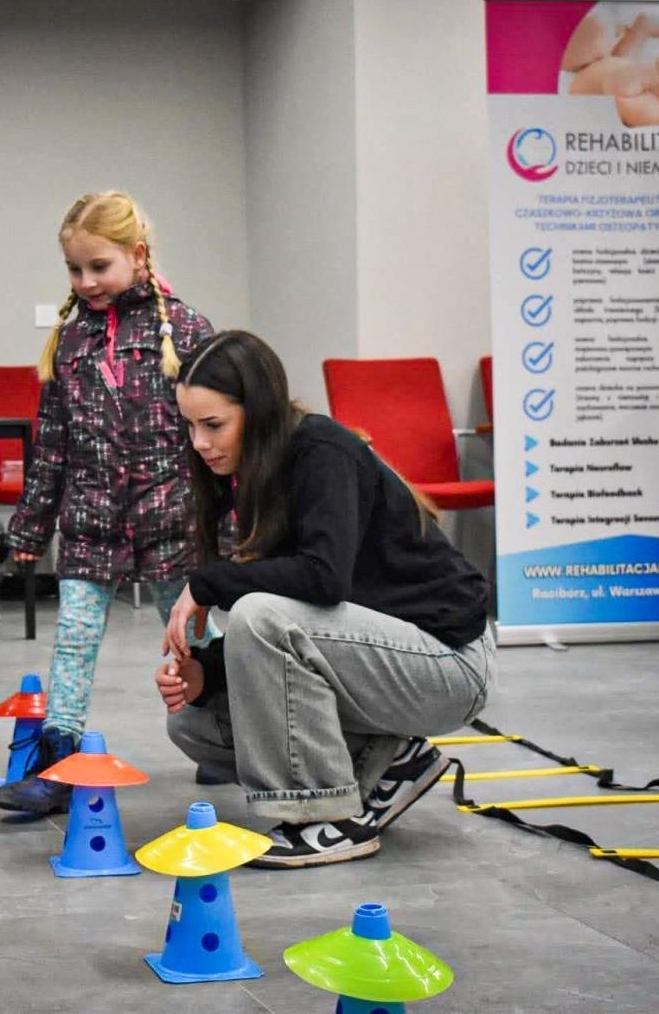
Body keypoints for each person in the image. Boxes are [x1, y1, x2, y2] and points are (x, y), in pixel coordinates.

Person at [154, 331, 495, 868]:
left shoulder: (321, 449)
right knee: (193, 724)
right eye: (190, 426)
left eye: (213, 424)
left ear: (259, 411)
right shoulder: (251, 473)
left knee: (256, 612)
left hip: (449, 664)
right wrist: (206, 678)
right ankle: (392, 759)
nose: (199, 442)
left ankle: (325, 818)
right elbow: (302, 614)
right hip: (382, 661)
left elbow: (322, 581)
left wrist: (207, 582)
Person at [0, 190, 215, 816]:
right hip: (91, 522)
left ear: (137, 256)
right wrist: (31, 526)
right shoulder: (69, 341)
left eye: (100, 267)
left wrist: (226, 521)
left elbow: (217, 435)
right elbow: (53, 444)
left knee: (193, 637)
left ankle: (222, 738)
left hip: (172, 520)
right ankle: (59, 760)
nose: (86, 281)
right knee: (74, 639)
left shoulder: (189, 330)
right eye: (74, 269)